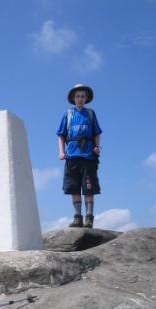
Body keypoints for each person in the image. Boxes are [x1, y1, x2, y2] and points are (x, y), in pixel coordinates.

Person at [56, 84, 102, 228]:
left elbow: (97, 133)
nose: (80, 99)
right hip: (72, 155)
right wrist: (61, 152)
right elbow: (61, 135)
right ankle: (77, 217)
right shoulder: (68, 114)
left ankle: (89, 218)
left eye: (82, 96)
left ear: (86, 98)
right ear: (73, 98)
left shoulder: (90, 114)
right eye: (78, 96)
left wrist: (96, 147)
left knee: (89, 187)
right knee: (74, 187)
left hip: (88, 155)